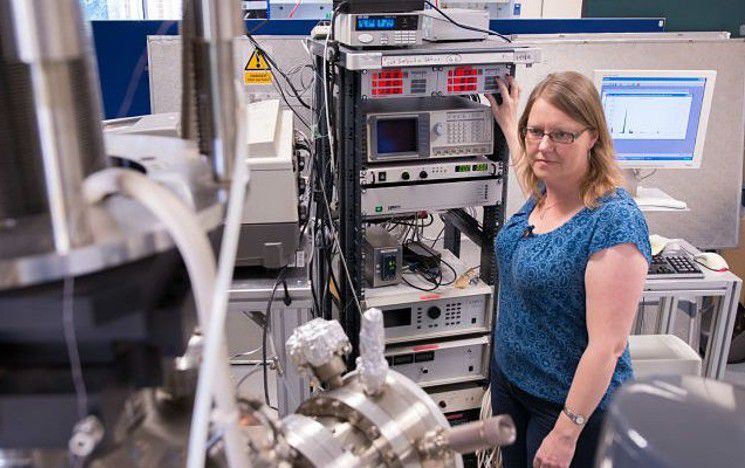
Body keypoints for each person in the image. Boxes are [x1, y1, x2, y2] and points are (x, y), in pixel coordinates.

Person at [484, 71, 652, 468]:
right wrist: (511, 123)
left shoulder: (614, 223)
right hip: (511, 384)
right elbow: (532, 163)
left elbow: (607, 346)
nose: (544, 146)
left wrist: (566, 432)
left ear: (593, 136)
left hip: (564, 406)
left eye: (562, 135)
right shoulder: (549, 189)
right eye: (535, 130)